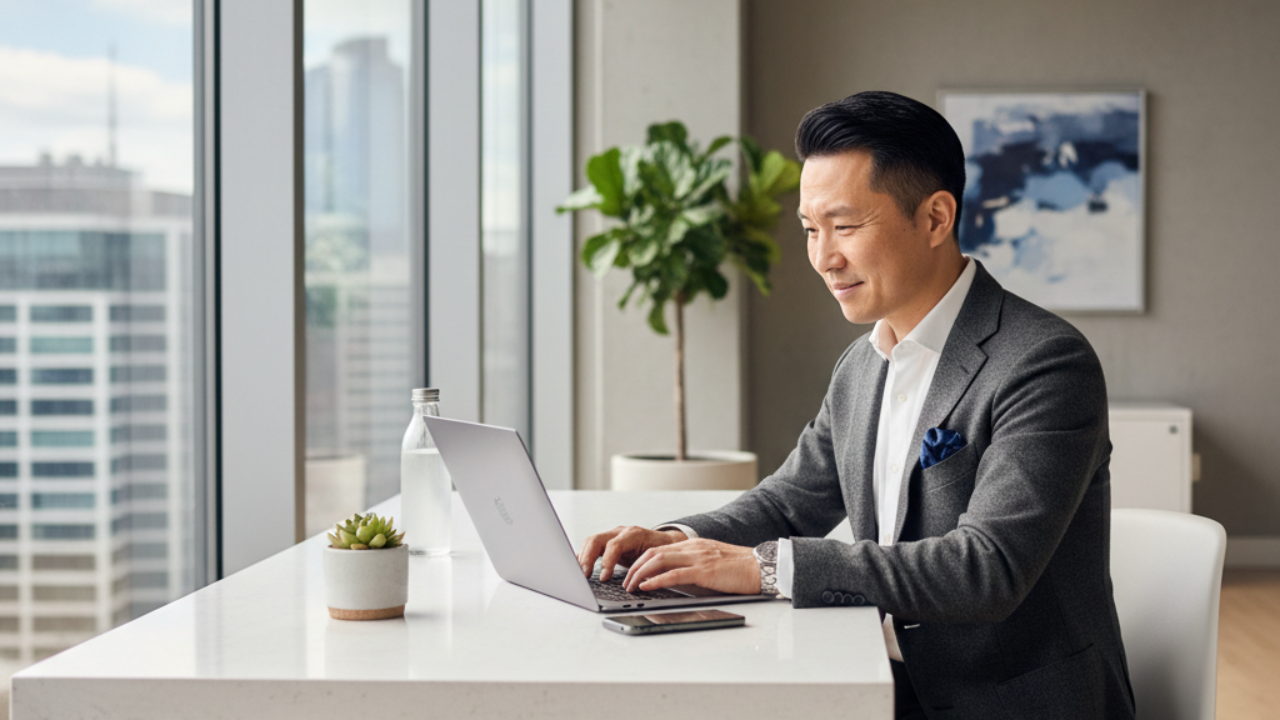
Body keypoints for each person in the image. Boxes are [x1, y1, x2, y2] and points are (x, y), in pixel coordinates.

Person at [577, 90, 1136, 720]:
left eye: (845, 226)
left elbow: (986, 568)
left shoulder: (1044, 362)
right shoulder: (862, 364)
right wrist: (678, 538)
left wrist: (761, 569)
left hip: (1007, 701)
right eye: (811, 230)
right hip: (880, 680)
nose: (823, 258)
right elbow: (790, 501)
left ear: (935, 218)